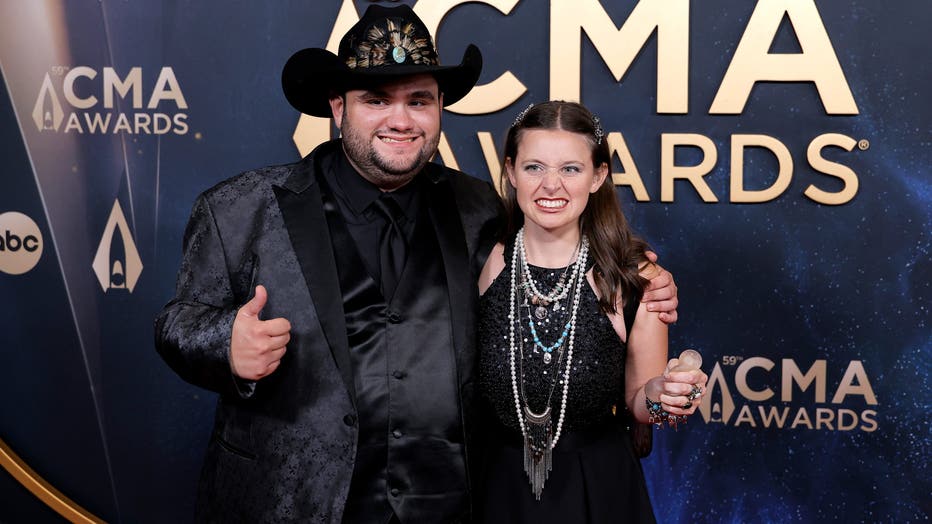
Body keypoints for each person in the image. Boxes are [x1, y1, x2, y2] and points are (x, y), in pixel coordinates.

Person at [155, 5, 679, 523]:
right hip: (295, 500)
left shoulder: (478, 209)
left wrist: (642, 277)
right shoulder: (240, 208)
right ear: (338, 107)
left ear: (440, 109)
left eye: (419, 100)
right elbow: (177, 322)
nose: (401, 120)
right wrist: (224, 343)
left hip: (454, 503)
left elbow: (560, 246)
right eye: (376, 99)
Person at [476, 101, 707, 523]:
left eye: (570, 169)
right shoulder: (479, 261)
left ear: (597, 176)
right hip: (493, 489)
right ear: (510, 172)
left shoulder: (637, 278)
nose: (551, 185)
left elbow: (643, 407)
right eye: (533, 168)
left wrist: (662, 397)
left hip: (598, 492)